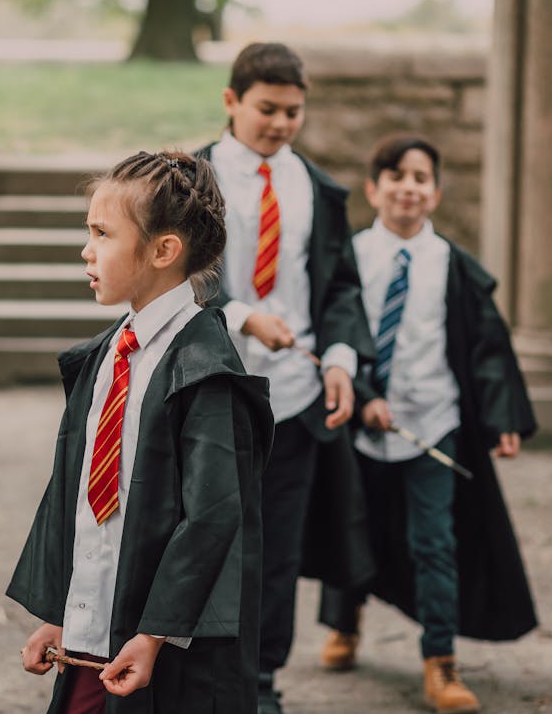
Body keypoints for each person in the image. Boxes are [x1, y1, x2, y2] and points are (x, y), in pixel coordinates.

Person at [7, 151, 274, 714]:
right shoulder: (107, 355)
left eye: (103, 233)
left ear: (163, 251)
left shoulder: (205, 371)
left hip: (168, 642)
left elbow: (213, 517)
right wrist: (63, 613)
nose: (87, 249)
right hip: (95, 634)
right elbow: (77, 497)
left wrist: (154, 633)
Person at [315, 134, 537, 713]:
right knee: (352, 527)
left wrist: (501, 416)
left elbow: (488, 347)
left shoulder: (454, 267)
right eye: (395, 176)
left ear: (435, 193)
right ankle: (344, 624)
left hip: (430, 423)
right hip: (359, 421)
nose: (407, 187)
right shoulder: (349, 258)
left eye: (420, 178)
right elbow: (334, 335)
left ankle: (440, 660)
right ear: (373, 188)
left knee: (434, 542)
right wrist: (362, 395)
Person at [193, 41, 376, 713]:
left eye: (292, 112)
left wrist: (338, 360)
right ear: (231, 101)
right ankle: (199, 676)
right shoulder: (191, 176)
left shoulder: (319, 189)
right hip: (211, 390)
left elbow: (341, 290)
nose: (279, 124)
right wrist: (240, 315)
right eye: (266, 109)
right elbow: (171, 277)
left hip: (294, 399)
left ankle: (262, 683)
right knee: (207, 539)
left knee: (275, 547)